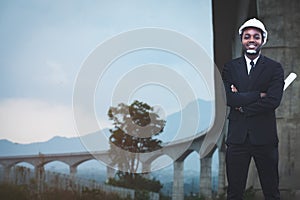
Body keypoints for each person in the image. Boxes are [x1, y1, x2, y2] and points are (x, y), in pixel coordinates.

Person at [222, 18, 284, 200]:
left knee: (271, 192)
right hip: (237, 139)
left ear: (263, 40)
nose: (251, 40)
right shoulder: (230, 67)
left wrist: (241, 105)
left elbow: (273, 101)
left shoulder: (274, 68)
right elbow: (228, 98)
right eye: (247, 36)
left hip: (265, 139)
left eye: (256, 37)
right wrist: (258, 94)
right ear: (241, 39)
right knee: (234, 193)